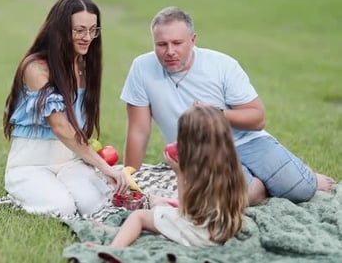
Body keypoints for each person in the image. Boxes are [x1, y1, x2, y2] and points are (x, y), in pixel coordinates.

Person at [120, 6, 335, 206]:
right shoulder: (142, 68)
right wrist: (131, 179)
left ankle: (301, 174)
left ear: (193, 40)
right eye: (161, 44)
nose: (170, 51)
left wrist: (217, 115)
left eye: (177, 43)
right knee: (241, 196)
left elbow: (258, 119)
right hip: (201, 152)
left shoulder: (222, 65)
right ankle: (260, 183)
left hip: (247, 141)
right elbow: (139, 131)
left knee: (303, 191)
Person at [2, 0, 128, 216]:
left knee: (95, 204)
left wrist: (96, 164)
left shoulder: (85, 67)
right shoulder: (36, 69)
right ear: (59, 30)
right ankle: (20, 191)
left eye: (93, 30)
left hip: (69, 162)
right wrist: (103, 166)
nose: (87, 37)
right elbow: (60, 127)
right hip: (30, 165)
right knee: (64, 208)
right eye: (79, 30)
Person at [94, 105, 248, 248]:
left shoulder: (199, 175)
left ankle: (113, 248)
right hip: (224, 230)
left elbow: (186, 209)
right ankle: (126, 231)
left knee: (139, 216)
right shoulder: (230, 166)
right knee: (160, 205)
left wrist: (179, 173)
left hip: (200, 234)